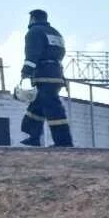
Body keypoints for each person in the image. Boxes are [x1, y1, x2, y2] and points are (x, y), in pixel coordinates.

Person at [19, 9, 72, 148]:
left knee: (53, 108)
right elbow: (58, 54)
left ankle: (63, 142)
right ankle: (33, 136)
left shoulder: (34, 32)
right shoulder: (55, 33)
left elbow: (32, 53)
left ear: (33, 19)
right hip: (56, 75)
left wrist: (26, 72)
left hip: (44, 75)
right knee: (37, 106)